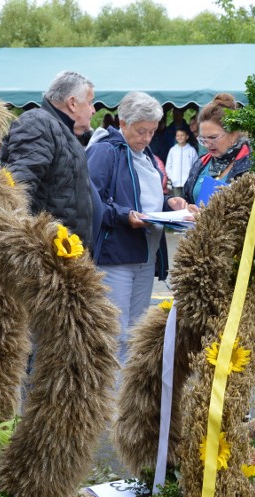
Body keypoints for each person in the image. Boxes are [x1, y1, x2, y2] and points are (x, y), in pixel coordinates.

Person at [86, 91, 196, 359]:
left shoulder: (144, 154)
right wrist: (125, 215)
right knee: (115, 333)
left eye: (152, 131)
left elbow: (146, 198)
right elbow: (91, 201)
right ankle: (110, 395)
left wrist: (170, 203)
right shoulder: (105, 151)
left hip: (145, 254)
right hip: (116, 256)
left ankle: (127, 395)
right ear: (123, 123)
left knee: (135, 332)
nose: (147, 138)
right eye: (141, 131)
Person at [1, 70, 96, 249]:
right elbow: (20, 188)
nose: (93, 110)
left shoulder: (62, 130)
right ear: (73, 103)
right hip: (45, 253)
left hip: (63, 252)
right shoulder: (37, 122)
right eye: (90, 103)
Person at [182, 93, 252, 206]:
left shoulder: (252, 164)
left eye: (213, 138)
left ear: (233, 135)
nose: (207, 145)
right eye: (203, 139)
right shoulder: (200, 163)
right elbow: (187, 199)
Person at [165, 128, 198, 197]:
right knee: (177, 202)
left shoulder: (191, 150)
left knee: (187, 201)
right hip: (175, 182)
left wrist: (191, 178)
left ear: (187, 137)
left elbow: (196, 166)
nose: (180, 137)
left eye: (182, 135)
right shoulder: (173, 150)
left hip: (188, 182)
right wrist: (171, 177)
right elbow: (168, 165)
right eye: (178, 136)